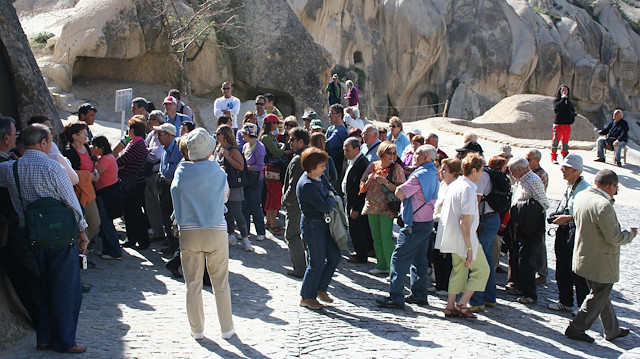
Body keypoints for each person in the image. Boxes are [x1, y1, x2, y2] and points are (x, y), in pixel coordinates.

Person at [0, 124, 89, 353]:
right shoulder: (53, 168)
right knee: (66, 289)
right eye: (49, 141)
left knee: (45, 287)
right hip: (61, 237)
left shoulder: (11, 168)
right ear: (42, 143)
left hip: (33, 235)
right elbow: (71, 203)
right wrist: (82, 231)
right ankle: (65, 340)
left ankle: (44, 337)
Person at [171, 128, 235, 340]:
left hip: (189, 232)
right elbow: (225, 197)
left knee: (193, 284)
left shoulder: (180, 172)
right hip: (215, 229)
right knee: (221, 284)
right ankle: (227, 329)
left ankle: (197, 330)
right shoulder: (218, 172)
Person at [564, 169, 636, 343]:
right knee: (598, 295)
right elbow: (615, 237)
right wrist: (631, 234)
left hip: (584, 255)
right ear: (611, 185)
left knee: (601, 294)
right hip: (601, 260)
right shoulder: (603, 205)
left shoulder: (583, 195)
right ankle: (576, 327)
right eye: (615, 187)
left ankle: (612, 330)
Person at [376, 145, 439, 309]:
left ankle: (396, 297)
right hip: (426, 222)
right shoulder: (433, 172)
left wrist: (393, 186)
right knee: (419, 259)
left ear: (425, 157)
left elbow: (400, 193)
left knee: (399, 258)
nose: (414, 156)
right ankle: (419, 295)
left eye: (417, 154)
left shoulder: (420, 175)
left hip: (414, 223)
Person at [0, 116, 42, 328]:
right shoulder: (5, 165)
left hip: (12, 227)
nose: (17, 138)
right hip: (9, 229)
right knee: (28, 272)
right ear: (6, 137)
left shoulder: (9, 160)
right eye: (15, 134)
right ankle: (43, 320)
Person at [436, 153, 490, 319]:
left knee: (458, 270)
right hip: (465, 238)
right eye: (481, 170)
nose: (482, 174)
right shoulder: (467, 189)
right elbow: (464, 221)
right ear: (473, 170)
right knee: (482, 270)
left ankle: (450, 305)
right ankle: (462, 303)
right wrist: (468, 246)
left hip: (452, 237)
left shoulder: (456, 184)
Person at [297, 147, 341, 310]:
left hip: (324, 224)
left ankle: (320, 288)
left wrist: (330, 195)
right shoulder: (307, 184)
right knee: (316, 262)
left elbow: (332, 190)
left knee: (334, 256)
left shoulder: (319, 177)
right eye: (322, 166)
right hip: (312, 226)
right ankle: (307, 296)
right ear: (313, 165)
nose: (324, 169)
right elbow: (324, 205)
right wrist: (330, 197)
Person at [547, 154, 590, 313]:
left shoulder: (585, 189)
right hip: (564, 232)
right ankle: (565, 301)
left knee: (577, 273)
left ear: (575, 171)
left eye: (565, 168)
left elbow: (587, 214)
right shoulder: (570, 186)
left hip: (575, 233)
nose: (561, 170)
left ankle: (582, 308)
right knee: (562, 269)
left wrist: (568, 218)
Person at [507, 156, 549, 305]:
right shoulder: (521, 181)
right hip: (520, 225)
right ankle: (520, 286)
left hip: (530, 227)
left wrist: (525, 210)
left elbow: (544, 203)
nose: (511, 174)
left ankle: (530, 294)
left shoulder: (533, 180)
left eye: (512, 171)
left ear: (519, 169)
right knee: (518, 257)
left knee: (526, 260)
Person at [360, 141, 406, 275]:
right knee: (376, 237)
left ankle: (393, 269)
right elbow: (362, 186)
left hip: (387, 207)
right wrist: (369, 180)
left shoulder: (397, 169)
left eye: (394, 153)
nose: (392, 156)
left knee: (386, 238)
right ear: (381, 153)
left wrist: (385, 182)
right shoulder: (373, 166)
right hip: (372, 206)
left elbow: (401, 189)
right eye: (389, 153)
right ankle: (381, 264)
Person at [61, 121, 101, 244]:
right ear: (75, 136)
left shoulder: (87, 149)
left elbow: (91, 164)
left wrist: (94, 172)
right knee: (80, 224)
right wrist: (88, 177)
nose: (86, 135)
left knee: (95, 222)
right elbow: (70, 173)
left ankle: (83, 246)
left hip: (89, 190)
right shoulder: (69, 152)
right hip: (76, 192)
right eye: (83, 133)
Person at [214, 125, 252, 252]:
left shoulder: (233, 149)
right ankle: (231, 235)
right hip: (222, 184)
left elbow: (241, 167)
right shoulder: (219, 148)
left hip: (234, 184)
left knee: (237, 211)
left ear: (224, 135)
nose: (216, 136)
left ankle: (246, 238)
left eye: (218, 133)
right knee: (226, 211)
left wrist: (227, 157)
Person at [282, 127, 311, 278]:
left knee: (292, 235)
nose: (289, 142)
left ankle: (300, 268)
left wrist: (286, 200)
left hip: (296, 204)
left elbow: (293, 185)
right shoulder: (308, 155)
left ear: (301, 141)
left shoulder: (299, 159)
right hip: (305, 203)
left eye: (292, 139)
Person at [117, 117, 149, 249]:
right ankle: (133, 239)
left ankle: (141, 241)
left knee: (134, 213)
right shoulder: (136, 143)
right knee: (131, 213)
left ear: (133, 130)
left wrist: (121, 165)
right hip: (134, 182)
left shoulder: (136, 144)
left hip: (133, 184)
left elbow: (121, 161)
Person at [154, 122, 184, 260]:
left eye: (159, 134)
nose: (157, 137)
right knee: (165, 217)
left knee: (175, 219)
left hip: (175, 188)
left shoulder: (179, 149)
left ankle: (179, 249)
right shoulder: (164, 149)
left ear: (169, 135)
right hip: (164, 186)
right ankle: (172, 245)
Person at [432, 157, 462, 296]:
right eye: (441, 168)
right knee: (437, 254)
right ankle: (439, 284)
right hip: (438, 222)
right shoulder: (443, 184)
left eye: (445, 169)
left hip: (450, 225)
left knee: (447, 256)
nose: (441, 171)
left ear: (454, 172)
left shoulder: (456, 186)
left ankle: (446, 286)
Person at [91, 136, 123, 260]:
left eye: (95, 147)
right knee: (105, 223)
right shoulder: (106, 158)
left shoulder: (105, 159)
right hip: (107, 192)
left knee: (106, 223)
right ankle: (107, 249)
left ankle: (114, 251)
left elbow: (95, 173)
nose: (93, 149)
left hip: (107, 193)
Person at [342, 137, 372, 264]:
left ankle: (361, 255)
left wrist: (356, 208)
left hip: (356, 203)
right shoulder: (354, 160)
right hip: (350, 200)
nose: (345, 153)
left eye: (347, 150)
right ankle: (360, 252)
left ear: (356, 149)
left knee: (358, 229)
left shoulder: (362, 163)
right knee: (355, 229)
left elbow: (361, 189)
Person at [525, 149, 549, 286]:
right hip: (527, 212)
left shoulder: (541, 174)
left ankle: (542, 273)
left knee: (539, 243)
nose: (527, 162)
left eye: (529, 160)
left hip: (536, 211)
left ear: (537, 160)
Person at [260, 114, 285, 235]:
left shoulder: (269, 136)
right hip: (272, 169)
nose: (277, 125)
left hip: (271, 169)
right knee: (275, 196)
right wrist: (283, 148)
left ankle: (269, 221)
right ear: (271, 124)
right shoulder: (267, 137)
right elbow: (276, 153)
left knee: (271, 196)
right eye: (276, 123)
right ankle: (273, 224)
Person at [241, 123, 266, 241]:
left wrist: (247, 167)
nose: (242, 134)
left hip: (256, 180)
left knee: (255, 205)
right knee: (244, 205)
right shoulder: (245, 146)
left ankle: (260, 230)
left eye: (244, 133)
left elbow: (260, 166)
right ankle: (245, 231)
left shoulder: (260, 147)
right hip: (246, 179)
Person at [144, 110, 166, 242]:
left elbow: (155, 156)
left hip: (157, 174)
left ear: (157, 121)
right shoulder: (152, 134)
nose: (148, 122)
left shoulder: (162, 134)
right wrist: (146, 152)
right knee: (151, 204)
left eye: (151, 119)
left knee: (159, 205)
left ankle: (163, 233)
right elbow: (145, 148)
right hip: (149, 173)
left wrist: (145, 153)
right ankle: (157, 232)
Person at [551, 84, 576, 164]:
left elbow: (572, 110)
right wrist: (563, 99)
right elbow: (557, 108)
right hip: (558, 124)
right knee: (555, 142)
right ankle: (553, 157)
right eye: (562, 90)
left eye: (566, 90)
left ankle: (565, 156)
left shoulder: (569, 102)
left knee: (565, 142)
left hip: (567, 125)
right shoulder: (557, 100)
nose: (564, 91)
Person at [326, 103, 348, 175]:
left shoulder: (341, 131)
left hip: (335, 169)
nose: (329, 115)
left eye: (332, 113)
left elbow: (326, 144)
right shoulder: (330, 128)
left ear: (339, 115)